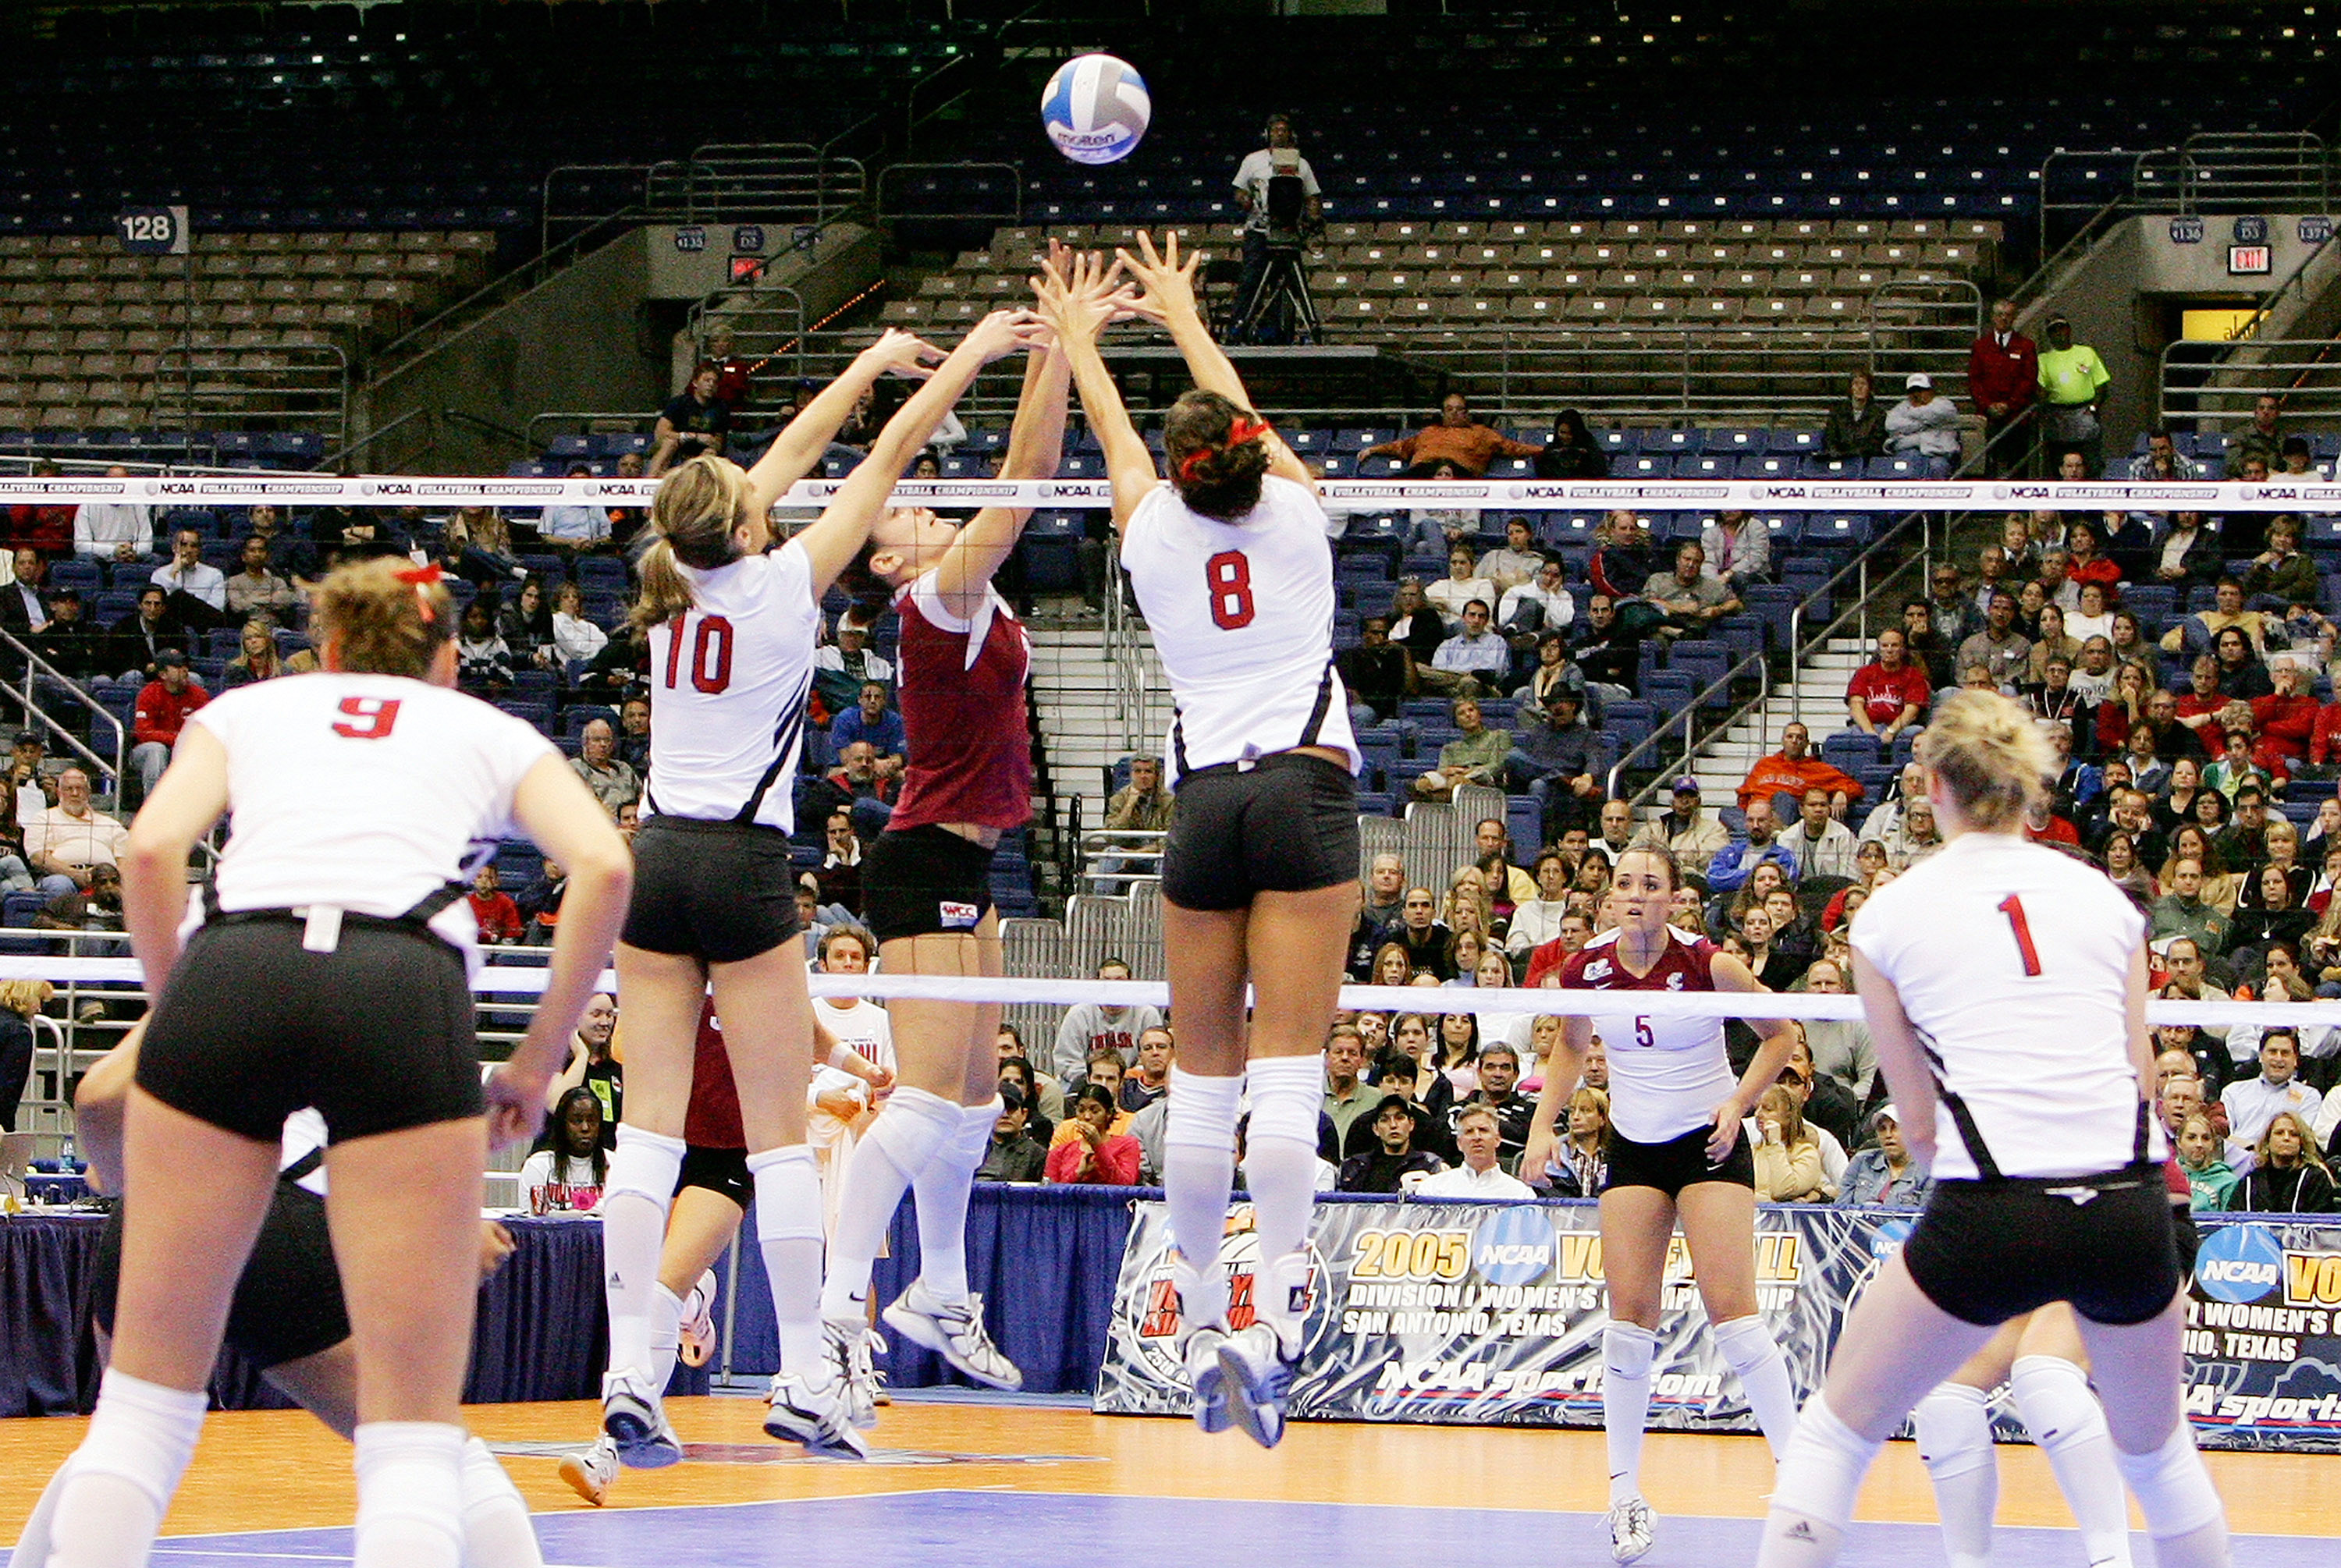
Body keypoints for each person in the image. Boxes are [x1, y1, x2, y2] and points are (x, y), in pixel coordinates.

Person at [27, 557, 629, 1568]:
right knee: (409, 1444)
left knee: (138, 1418)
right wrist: (532, 1061)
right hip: (402, 977)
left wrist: (180, 1011)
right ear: (446, 657)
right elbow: (607, 866)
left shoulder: (255, 704)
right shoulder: (488, 727)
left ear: (335, 643)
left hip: (239, 965)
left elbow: (146, 850)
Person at [593, 317, 1021, 1467]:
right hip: (738, 865)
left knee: (648, 1134)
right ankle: (796, 1376)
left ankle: (629, 1368)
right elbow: (880, 461)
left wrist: (869, 363)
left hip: (657, 856)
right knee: (779, 1141)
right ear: (743, 522)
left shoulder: (669, 570)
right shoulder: (783, 585)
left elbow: (770, 464)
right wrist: (961, 359)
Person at [1756, 689, 2230, 1568]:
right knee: (2161, 1458)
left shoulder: (1889, 915)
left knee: (1835, 1434)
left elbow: (1920, 1123)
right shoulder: (2106, 901)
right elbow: (2137, 1078)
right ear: (2028, 785)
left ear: (1929, 785)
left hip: (1997, 1199)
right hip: (2133, 1206)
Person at [1037, 234, 1360, 1450]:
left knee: (1203, 1081)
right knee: (1287, 1073)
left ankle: (1180, 1317)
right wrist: (1183, 312)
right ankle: (1273, 1318)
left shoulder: (1153, 536)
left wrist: (1083, 339)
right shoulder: (1294, 515)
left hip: (1202, 808)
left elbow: (1125, 447)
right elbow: (1242, 426)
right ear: (1249, 453)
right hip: (1300, 784)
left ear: (1180, 475)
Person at [5, 1017, 551, 1568]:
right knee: (425, 1446)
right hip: (281, 1206)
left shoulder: (211, 951)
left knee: (117, 1443)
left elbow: (99, 1097)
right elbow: (407, 1129)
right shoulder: (386, 967)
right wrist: (450, 1226)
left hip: (161, 1212)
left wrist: (119, 1172)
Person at [809, 311, 1071, 1414]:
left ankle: (940, 1292)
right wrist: (1058, 347)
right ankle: (833, 1314)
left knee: (974, 1104)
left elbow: (1022, 479)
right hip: (920, 862)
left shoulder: (975, 598)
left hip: (977, 866)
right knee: (920, 1102)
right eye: (908, 508)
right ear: (888, 555)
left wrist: (1062, 346)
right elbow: (1025, 477)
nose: (920, 502)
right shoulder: (935, 596)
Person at [1522, 845, 1800, 1563]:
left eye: (1651, 884)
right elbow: (1569, 1048)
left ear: (1676, 897)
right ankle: (1624, 1497)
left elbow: (1783, 1035)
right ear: (1609, 898)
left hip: (1707, 1140)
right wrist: (1540, 1128)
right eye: (1625, 885)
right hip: (1636, 1145)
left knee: (1732, 1307)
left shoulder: (1712, 965)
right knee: (1630, 1317)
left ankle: (1802, 1483)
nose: (1636, 895)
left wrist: (1739, 1104)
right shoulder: (1585, 969)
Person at [1362, 390, 1542, 477]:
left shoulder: (1482, 433)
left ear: (1467, 413)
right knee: (1390, 483)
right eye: (1449, 409)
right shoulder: (1429, 432)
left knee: (1447, 469)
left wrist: (1543, 450)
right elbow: (1401, 446)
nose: (1454, 413)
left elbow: (1513, 447)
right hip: (1423, 472)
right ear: (1443, 413)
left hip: (1460, 475)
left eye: (1459, 409)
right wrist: (1373, 449)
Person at [1966, 298, 2039, 475]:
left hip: (2016, 416)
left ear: (2014, 318)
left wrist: (2010, 405)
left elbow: (2028, 380)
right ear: (1993, 317)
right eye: (2000, 315)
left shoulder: (2026, 346)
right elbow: (1975, 380)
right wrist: (1988, 405)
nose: (2004, 319)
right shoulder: (1981, 346)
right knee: (1989, 464)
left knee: (2018, 466)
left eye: (2008, 315)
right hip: (1988, 416)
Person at [2036, 314, 2112, 477]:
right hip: (2058, 414)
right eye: (2053, 331)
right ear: (2049, 335)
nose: (2058, 333)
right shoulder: (2044, 359)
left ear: (2068, 330)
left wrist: (2093, 408)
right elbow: (2041, 389)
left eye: (2061, 329)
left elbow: (2101, 384)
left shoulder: (2087, 353)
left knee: (2090, 460)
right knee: (2058, 462)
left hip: (2084, 411)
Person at [1334, 1092, 1446, 1193]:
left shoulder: (1430, 1164)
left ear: (1411, 1124)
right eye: (1384, 1120)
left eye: (1400, 1118)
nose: (1393, 1125)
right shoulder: (1354, 1167)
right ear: (1375, 1129)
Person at [1412, 1103, 1529, 1197]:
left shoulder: (1520, 1193)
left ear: (1497, 1140)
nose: (1477, 1137)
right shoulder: (1432, 1188)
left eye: (1483, 1130)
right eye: (1469, 1131)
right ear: (1459, 1144)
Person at [524, 1087, 611, 1212]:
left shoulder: (615, 1165)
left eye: (592, 1121)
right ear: (562, 1125)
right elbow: (528, 1224)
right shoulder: (538, 1165)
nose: (585, 1128)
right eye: (577, 1121)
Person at [2229, 1110, 2334, 1212]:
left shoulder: (2315, 1178)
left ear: (2302, 1142)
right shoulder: (2250, 1182)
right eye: (2279, 1133)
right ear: (2267, 1141)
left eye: (2294, 1134)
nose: (2286, 1138)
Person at [1045, 1083, 1142, 1183]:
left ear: (1108, 1113)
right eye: (1081, 1110)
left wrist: (1098, 1146)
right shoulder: (1060, 1152)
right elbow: (1052, 1193)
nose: (1087, 1117)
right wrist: (1078, 1174)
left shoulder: (1127, 1145)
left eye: (1095, 1111)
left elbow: (1125, 1184)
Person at [1834, 1105, 1931, 1208]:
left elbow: (1927, 1219)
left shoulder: (1929, 1171)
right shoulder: (1862, 1161)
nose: (1888, 1135)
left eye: (1895, 1128)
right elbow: (1840, 1211)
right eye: (1882, 1129)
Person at [1751, 1083, 1831, 1202]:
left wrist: (1775, 1144)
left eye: (1768, 1109)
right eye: (1757, 1108)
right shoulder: (1754, 1150)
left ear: (1789, 1116)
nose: (1758, 1114)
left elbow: (1781, 1191)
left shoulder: (1806, 1152)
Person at [648, 362, 730, 477]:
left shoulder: (721, 408)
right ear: (695, 383)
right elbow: (661, 433)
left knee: (711, 454)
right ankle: (650, 479)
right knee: (669, 443)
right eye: (707, 380)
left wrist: (713, 445)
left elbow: (720, 441)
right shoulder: (679, 403)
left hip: (700, 454)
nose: (711, 385)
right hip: (677, 449)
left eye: (714, 382)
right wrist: (692, 437)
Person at [1885, 373, 1963, 478]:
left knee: (1937, 466)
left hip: (1940, 453)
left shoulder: (1945, 405)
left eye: (1921, 390)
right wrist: (1925, 424)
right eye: (1912, 391)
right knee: (1905, 463)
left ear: (1931, 391)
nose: (1917, 394)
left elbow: (1942, 413)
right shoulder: (1901, 407)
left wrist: (1911, 415)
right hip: (1909, 450)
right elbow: (1891, 425)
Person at [1821, 369, 1886, 460]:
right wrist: (1835, 453)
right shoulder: (1837, 412)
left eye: (1863, 384)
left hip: (1865, 461)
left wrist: (1852, 453)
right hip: (1839, 459)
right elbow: (1830, 438)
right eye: (1856, 384)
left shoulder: (1879, 414)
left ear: (1869, 388)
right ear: (1850, 388)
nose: (1859, 387)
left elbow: (1875, 444)